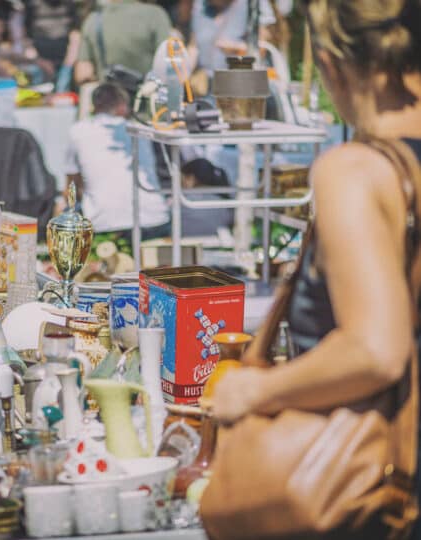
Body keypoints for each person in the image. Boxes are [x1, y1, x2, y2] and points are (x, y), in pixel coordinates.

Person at [206, 1, 421, 536]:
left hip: (380, 491)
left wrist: (253, 391)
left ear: (328, 63)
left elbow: (374, 350)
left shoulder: (357, 170)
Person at [66, 82, 169, 237]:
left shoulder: (77, 131)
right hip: (154, 219)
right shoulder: (142, 131)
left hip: (103, 223)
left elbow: (71, 186)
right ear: (122, 106)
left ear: (94, 106)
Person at [75, 0, 172, 84]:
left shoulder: (93, 19)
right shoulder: (155, 15)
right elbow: (169, 65)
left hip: (109, 101)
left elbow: (83, 73)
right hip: (146, 100)